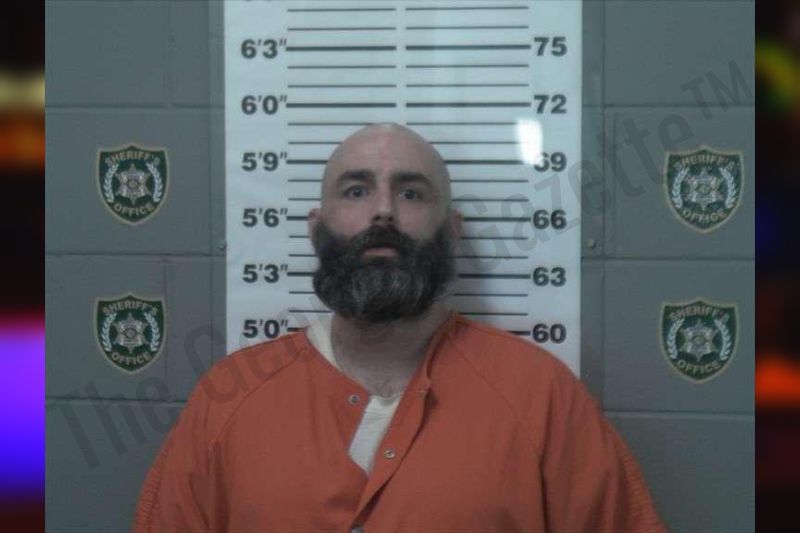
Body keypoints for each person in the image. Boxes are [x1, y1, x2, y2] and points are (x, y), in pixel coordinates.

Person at [133, 123, 667, 532]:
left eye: (411, 193)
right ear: (317, 229)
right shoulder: (228, 398)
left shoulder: (540, 396)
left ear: (451, 231)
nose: (383, 212)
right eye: (356, 191)